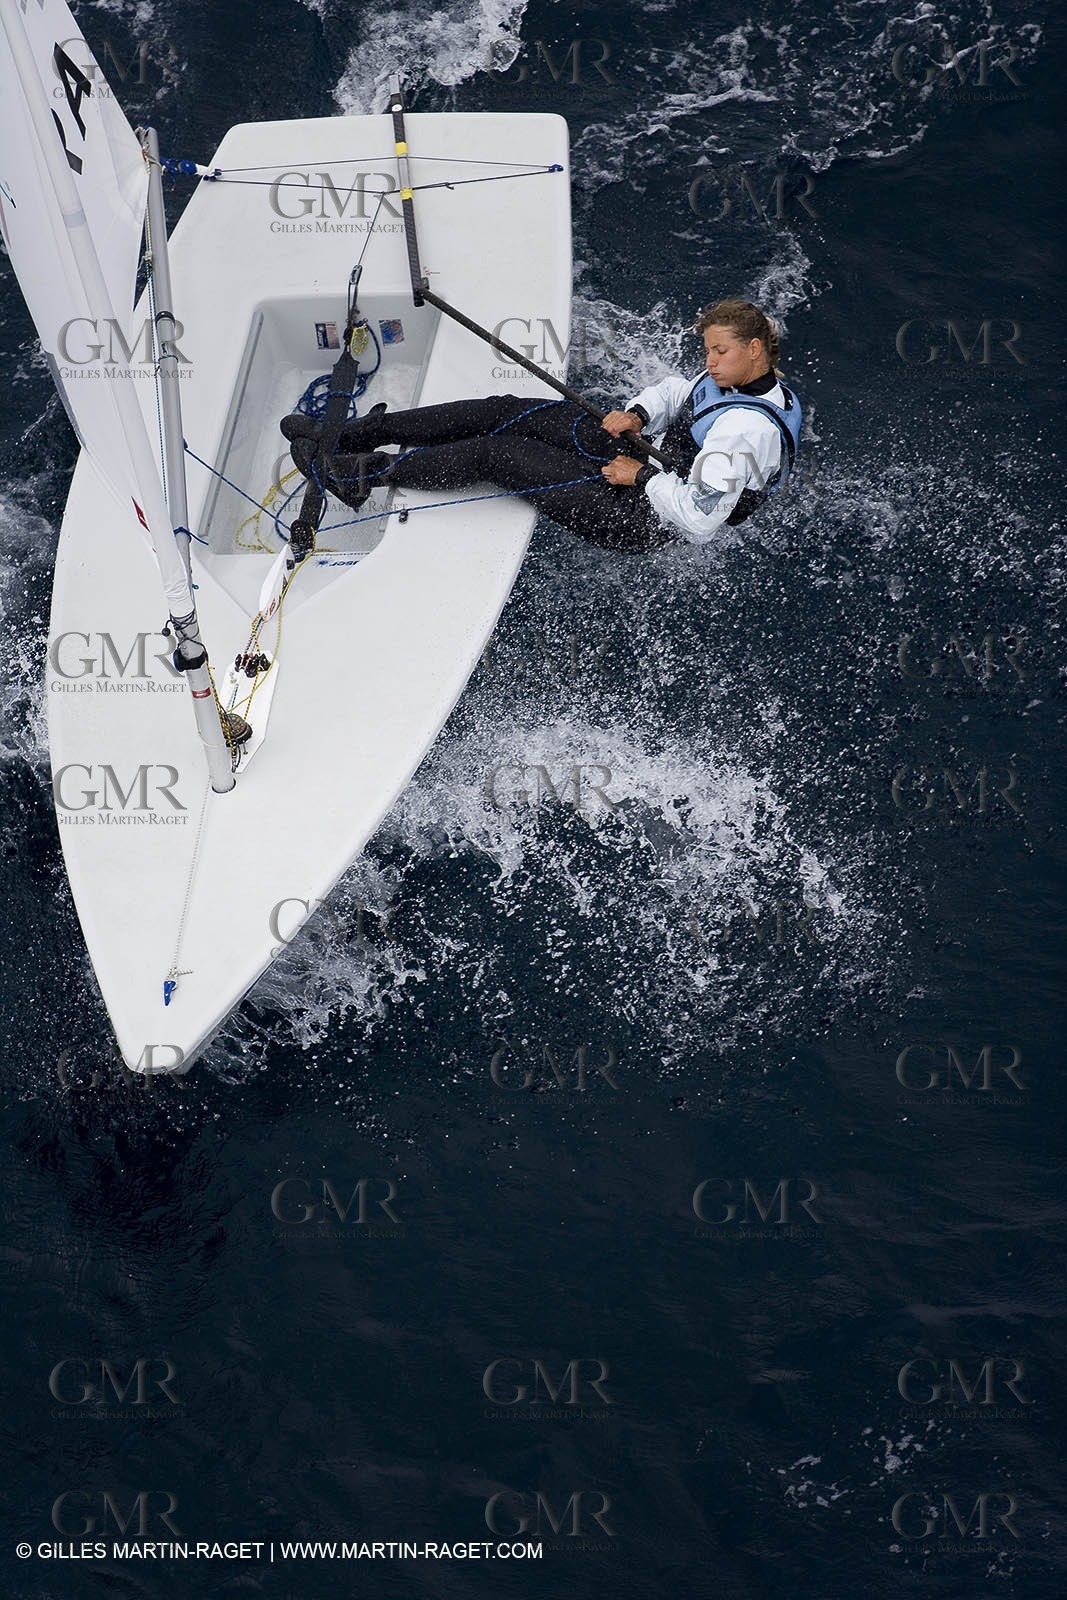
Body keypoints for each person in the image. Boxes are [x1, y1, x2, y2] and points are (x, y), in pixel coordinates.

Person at [279, 298, 801, 554]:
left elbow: (701, 518)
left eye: (719, 351)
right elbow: (677, 393)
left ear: (754, 350)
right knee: (505, 409)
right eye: (708, 350)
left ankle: (361, 476)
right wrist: (640, 414)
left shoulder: (744, 433)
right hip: (647, 457)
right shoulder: (733, 378)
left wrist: (639, 477)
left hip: (643, 517)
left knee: (496, 454)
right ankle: (350, 435)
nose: (709, 361)